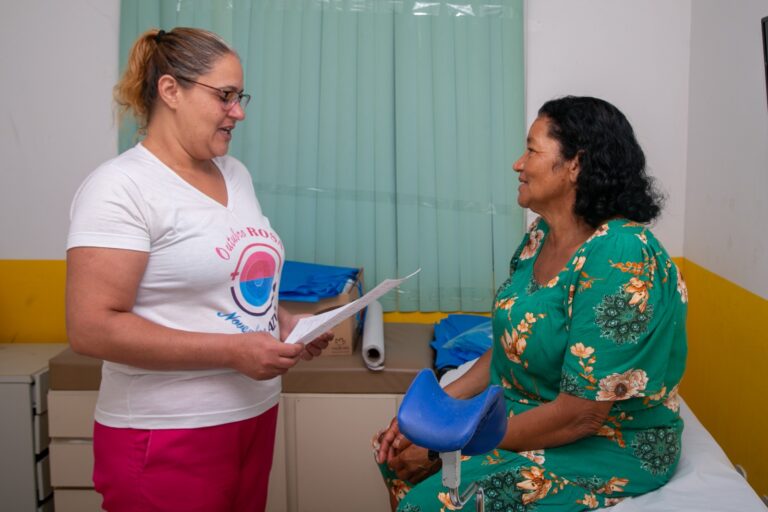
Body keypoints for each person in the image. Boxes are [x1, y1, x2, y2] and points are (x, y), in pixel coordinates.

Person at [374, 96, 688, 511]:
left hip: (606, 441)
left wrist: (446, 445)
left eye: (532, 150)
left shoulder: (621, 257)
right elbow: (510, 347)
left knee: (436, 503)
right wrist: (436, 412)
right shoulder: (540, 236)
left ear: (576, 164)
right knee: (395, 457)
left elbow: (583, 414)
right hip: (532, 410)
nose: (517, 164)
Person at [65, 27, 331, 512]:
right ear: (170, 91)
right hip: (165, 434)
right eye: (225, 96)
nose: (239, 112)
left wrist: (284, 324)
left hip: (251, 417)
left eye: (240, 96)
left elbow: (226, 288)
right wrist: (232, 352)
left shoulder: (234, 173)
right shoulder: (120, 189)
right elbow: (90, 328)